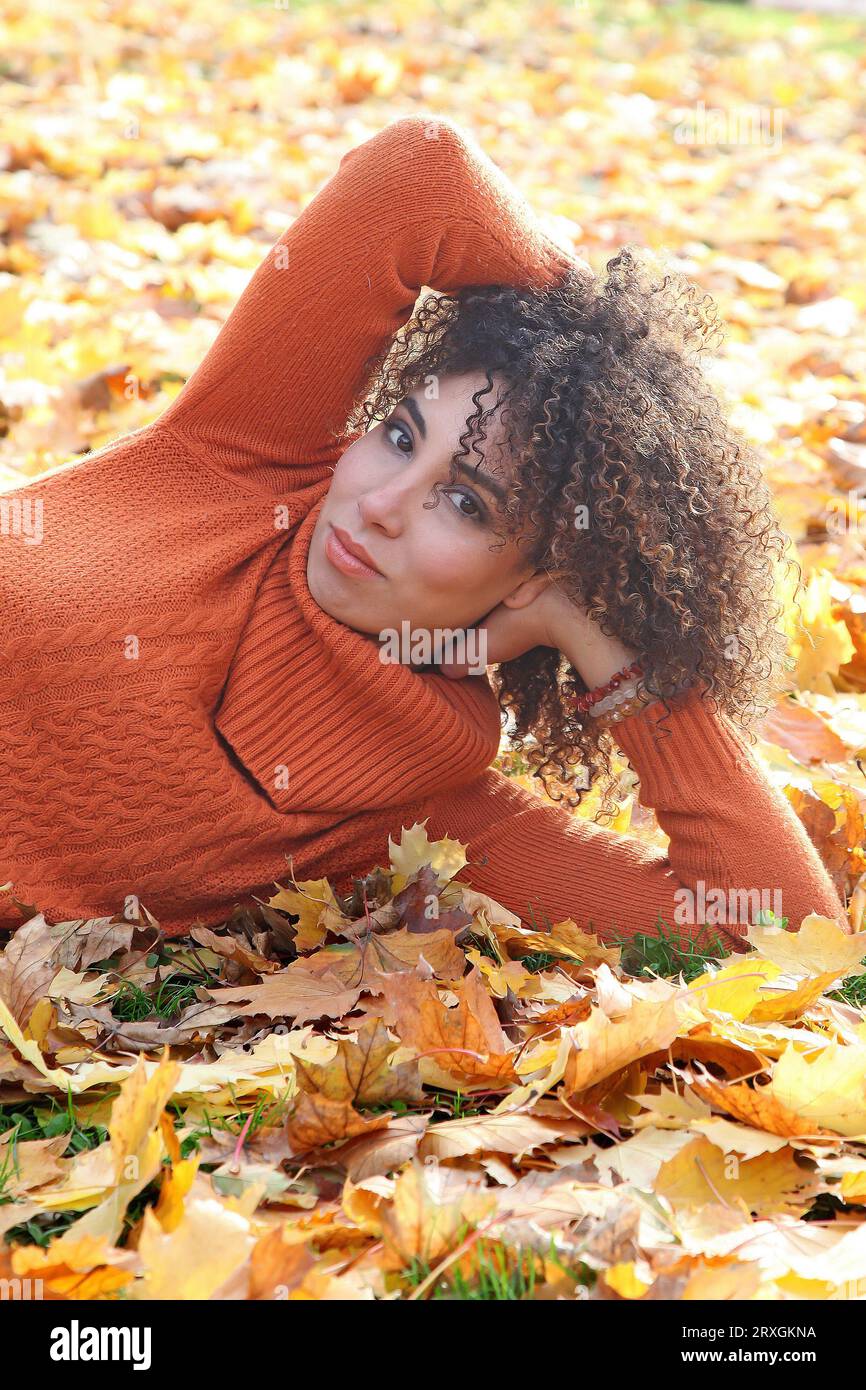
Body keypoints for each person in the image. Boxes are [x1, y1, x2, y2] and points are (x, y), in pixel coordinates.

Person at [0, 114, 847, 951]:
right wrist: (595, 347)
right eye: (400, 436)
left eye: (467, 504)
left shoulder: (422, 815)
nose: (379, 502)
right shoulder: (246, 451)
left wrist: (602, 640)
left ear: (534, 577)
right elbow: (422, 174)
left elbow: (776, 927)